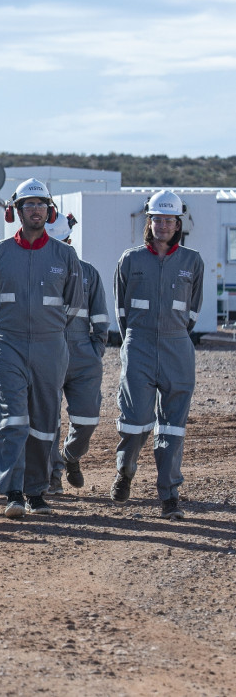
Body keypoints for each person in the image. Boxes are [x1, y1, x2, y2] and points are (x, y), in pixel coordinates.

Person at [0, 178, 83, 519]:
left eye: (40, 204)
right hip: (7, 343)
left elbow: (73, 304)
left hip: (51, 346)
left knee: (43, 421)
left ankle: (36, 492)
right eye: (28, 204)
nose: (35, 210)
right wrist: (12, 326)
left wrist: (46, 329)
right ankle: (12, 491)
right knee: (12, 418)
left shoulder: (64, 255)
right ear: (16, 211)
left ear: (49, 211)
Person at [110, 190, 203, 519]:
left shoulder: (192, 262)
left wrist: (174, 334)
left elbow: (193, 312)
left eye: (169, 220)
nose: (163, 225)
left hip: (178, 346)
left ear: (178, 224)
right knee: (135, 420)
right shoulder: (130, 259)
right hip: (139, 344)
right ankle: (125, 471)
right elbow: (121, 311)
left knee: (173, 427)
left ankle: (169, 496)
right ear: (148, 222)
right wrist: (136, 340)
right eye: (157, 219)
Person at [44, 212, 108, 494]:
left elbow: (101, 318)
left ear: (69, 242)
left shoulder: (89, 273)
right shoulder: (37, 272)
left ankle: (69, 457)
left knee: (87, 420)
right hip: (47, 352)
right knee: (47, 421)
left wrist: (95, 350)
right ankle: (52, 476)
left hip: (83, 355)